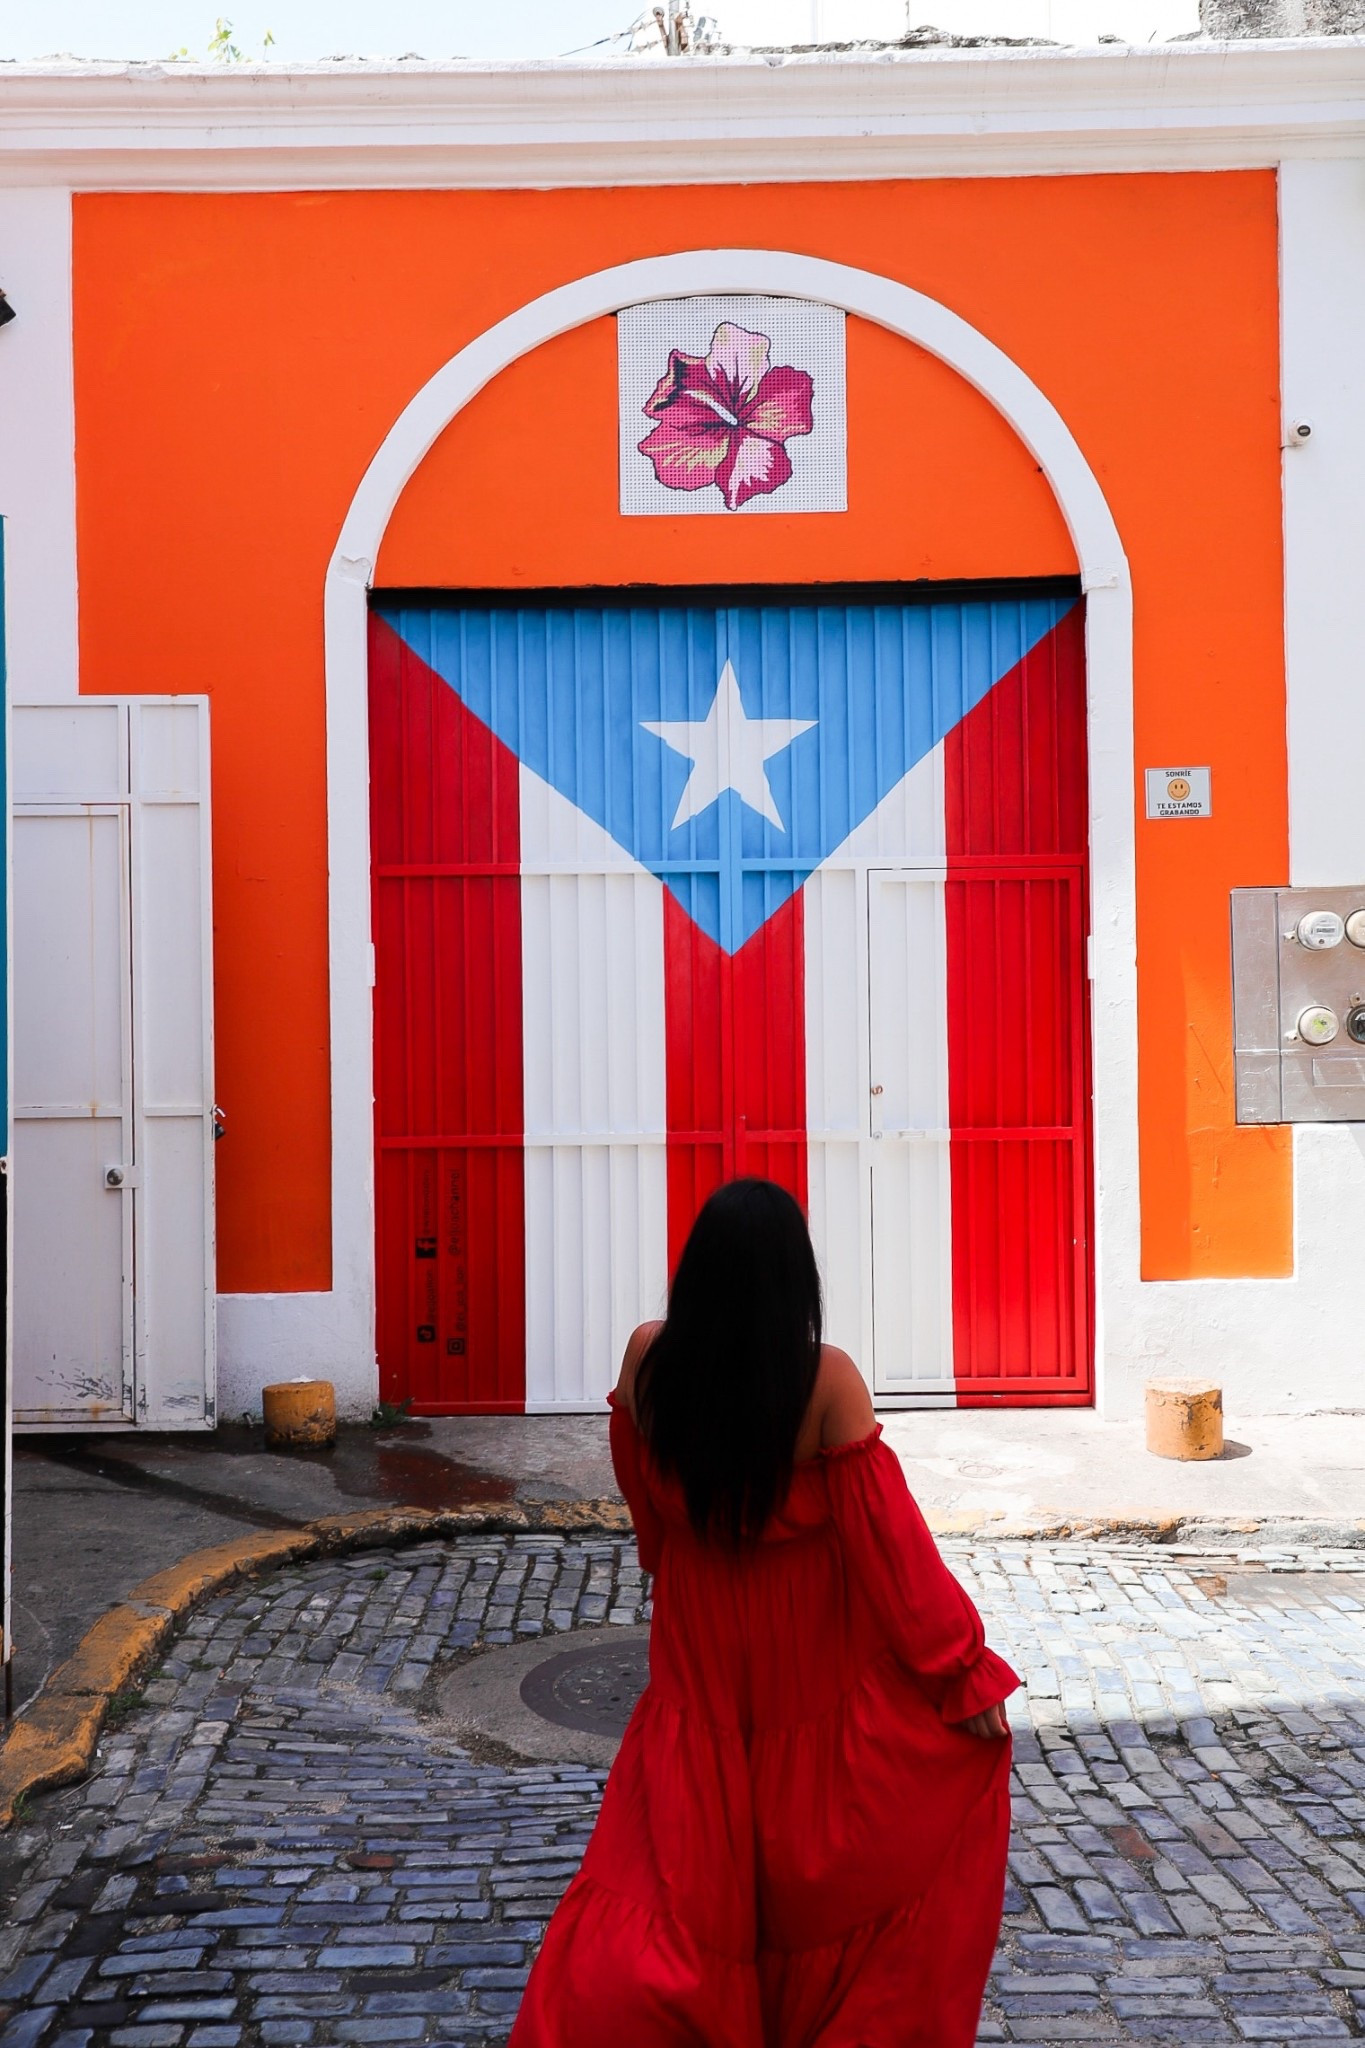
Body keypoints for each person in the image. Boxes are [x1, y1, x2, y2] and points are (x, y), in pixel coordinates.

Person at [509, 1177, 1019, 2048]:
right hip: (808, 1654)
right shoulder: (824, 1380)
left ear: (697, 1272)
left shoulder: (646, 1357)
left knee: (679, 1867)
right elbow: (889, 1548)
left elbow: (640, 1487)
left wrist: (670, 1566)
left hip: (699, 1642)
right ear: (795, 1280)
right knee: (805, 1869)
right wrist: (960, 1670)